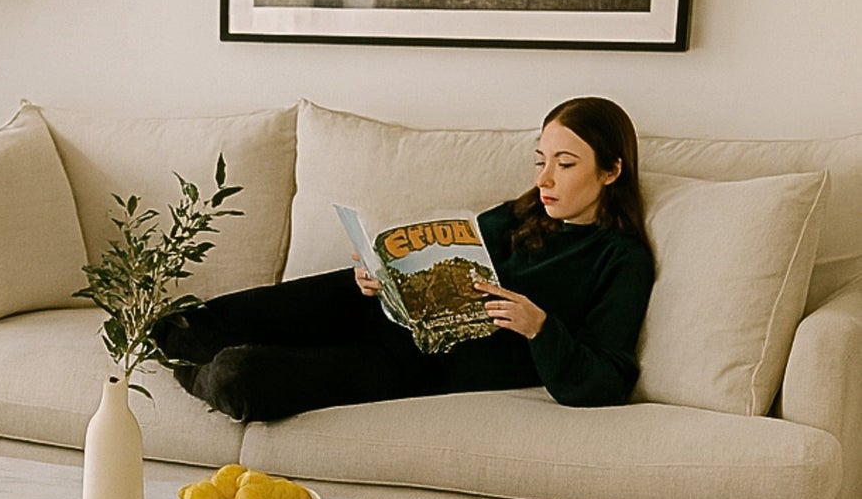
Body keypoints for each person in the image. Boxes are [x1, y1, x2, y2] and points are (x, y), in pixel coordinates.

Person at [156, 97, 655, 422]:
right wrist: (385, 272)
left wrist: (539, 327)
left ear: (611, 170)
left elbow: (608, 379)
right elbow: (457, 249)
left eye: (565, 165)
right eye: (540, 160)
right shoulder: (523, 212)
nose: (545, 179)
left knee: (242, 379)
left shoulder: (620, 259)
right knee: (185, 324)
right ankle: (175, 346)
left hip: (420, 362)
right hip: (377, 307)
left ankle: (205, 372)